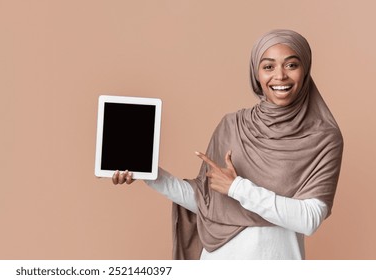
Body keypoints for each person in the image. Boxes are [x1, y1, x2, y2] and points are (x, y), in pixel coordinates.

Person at [112, 29, 344, 260]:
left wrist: (237, 188)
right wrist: (150, 173)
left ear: (305, 70)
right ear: (257, 74)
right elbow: (206, 204)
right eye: (268, 66)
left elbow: (309, 219)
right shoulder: (233, 125)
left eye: (291, 65)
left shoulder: (323, 137)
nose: (280, 76)